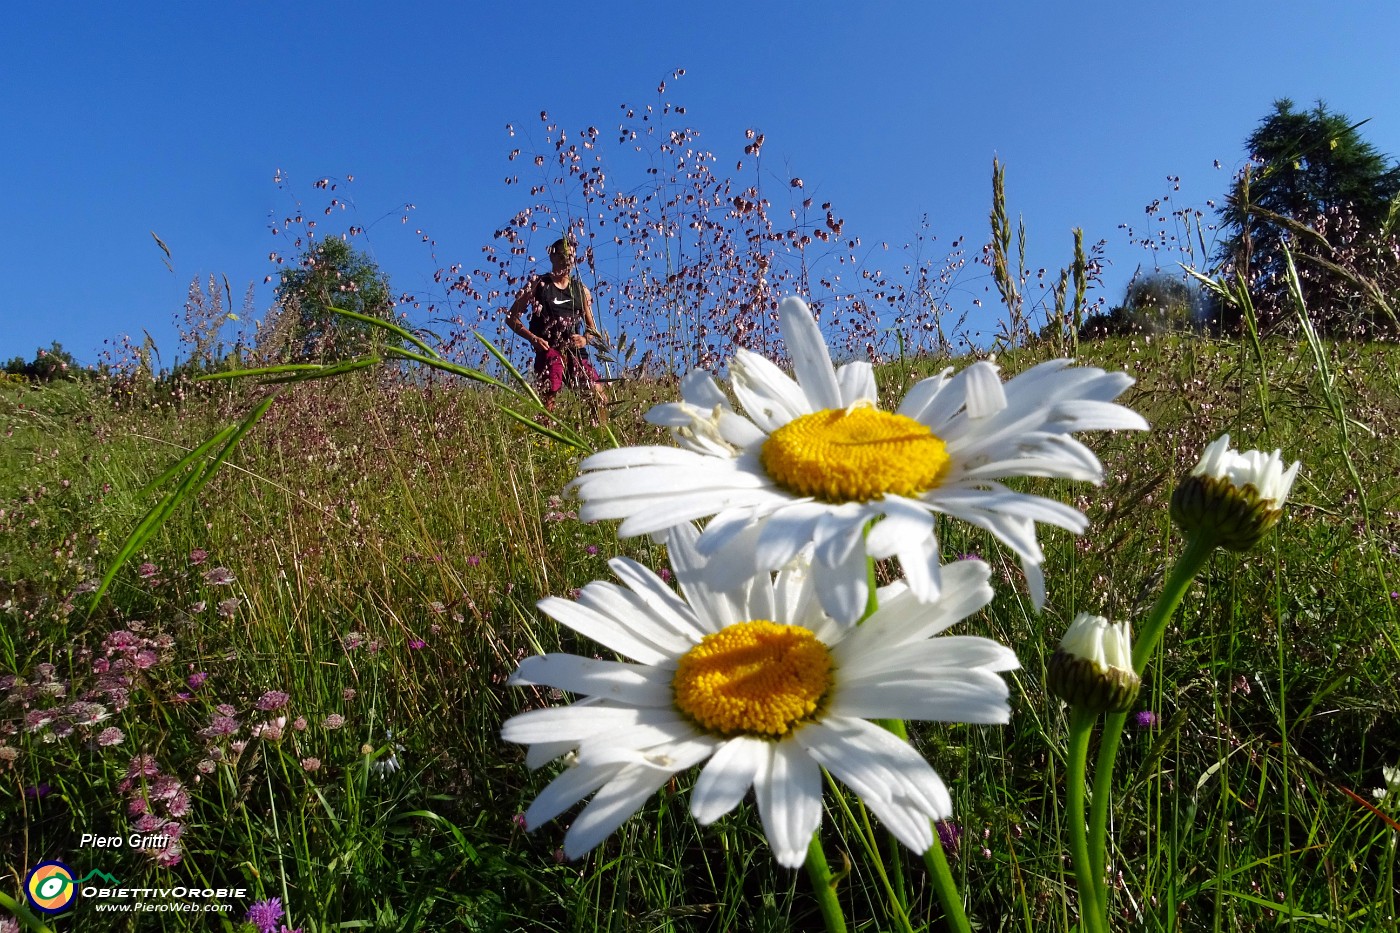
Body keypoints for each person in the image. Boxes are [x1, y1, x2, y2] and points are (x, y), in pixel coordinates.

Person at [505, 238, 609, 419]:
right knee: (549, 400)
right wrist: (533, 338)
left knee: (599, 395)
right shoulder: (539, 284)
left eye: (570, 257)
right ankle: (545, 440)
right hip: (549, 351)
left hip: (575, 353)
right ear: (552, 256)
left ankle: (601, 436)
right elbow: (511, 318)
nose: (566, 261)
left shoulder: (580, 289)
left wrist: (584, 339)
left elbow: (592, 329)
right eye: (561, 256)